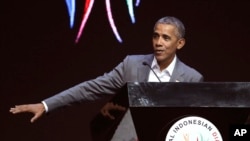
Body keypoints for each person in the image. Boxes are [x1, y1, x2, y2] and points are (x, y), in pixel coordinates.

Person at [9, 16, 204, 141]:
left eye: (166, 38)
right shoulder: (132, 65)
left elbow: (191, 127)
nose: (158, 43)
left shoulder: (192, 78)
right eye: (155, 36)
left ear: (180, 43)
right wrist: (46, 105)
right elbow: (90, 88)